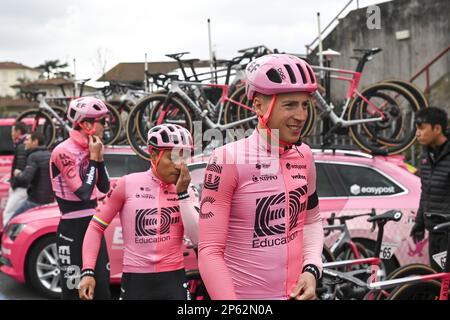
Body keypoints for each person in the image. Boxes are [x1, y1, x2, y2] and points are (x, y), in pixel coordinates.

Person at [198, 54, 323, 300]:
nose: (301, 115)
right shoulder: (227, 159)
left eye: (305, 104)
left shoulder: (305, 156)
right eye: (290, 105)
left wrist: (311, 269)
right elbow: (209, 251)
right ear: (259, 106)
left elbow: (311, 220)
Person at [78, 124, 199, 300]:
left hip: (173, 280)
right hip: (136, 282)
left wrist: (182, 194)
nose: (179, 166)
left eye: (184, 158)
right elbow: (95, 227)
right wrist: (87, 271)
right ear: (154, 154)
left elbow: (197, 238)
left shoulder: (186, 189)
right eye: (172, 157)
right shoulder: (127, 184)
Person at [50, 97, 111, 299]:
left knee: (102, 289)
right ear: (86, 124)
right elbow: (83, 194)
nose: (106, 124)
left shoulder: (92, 147)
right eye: (102, 120)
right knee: (74, 292)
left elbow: (104, 186)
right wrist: (94, 159)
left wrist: (99, 159)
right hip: (71, 228)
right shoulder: (63, 151)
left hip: (93, 224)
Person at [410, 107, 450, 272]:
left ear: (437, 129)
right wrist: (419, 223)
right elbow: (425, 193)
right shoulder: (426, 155)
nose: (417, 133)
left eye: (421, 128)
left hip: (448, 229)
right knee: (438, 282)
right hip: (434, 229)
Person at [10, 132, 54, 218]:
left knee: (13, 221)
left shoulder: (33, 156)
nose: (24, 142)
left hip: (34, 201)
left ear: (35, 142)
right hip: (49, 201)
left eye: (27, 140)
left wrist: (18, 174)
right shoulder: (50, 154)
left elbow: (26, 179)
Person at [2, 121, 28, 227]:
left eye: (13, 131)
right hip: (21, 187)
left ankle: (6, 239)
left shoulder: (21, 146)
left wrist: (14, 184)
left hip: (20, 188)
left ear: (18, 131)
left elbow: (20, 169)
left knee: (8, 213)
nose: (11, 134)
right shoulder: (21, 144)